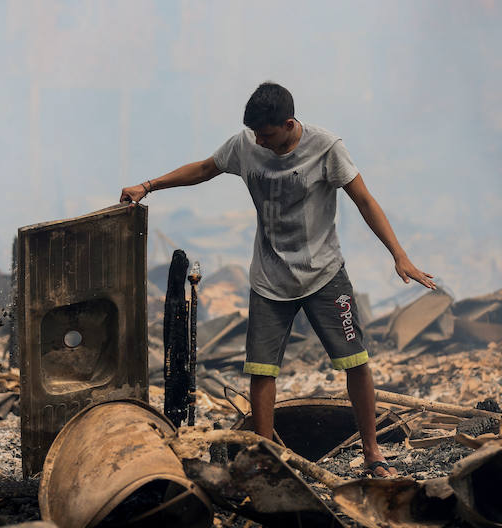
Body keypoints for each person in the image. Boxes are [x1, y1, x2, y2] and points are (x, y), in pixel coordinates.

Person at [120, 82, 435, 478]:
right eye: (254, 134)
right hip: (270, 279)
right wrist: (147, 186)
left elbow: (365, 201)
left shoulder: (326, 147)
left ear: (288, 124)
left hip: (324, 274)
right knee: (262, 370)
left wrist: (399, 255)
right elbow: (204, 169)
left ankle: (374, 455)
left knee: (355, 361)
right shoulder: (245, 145)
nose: (259, 142)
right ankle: (265, 459)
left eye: (266, 135)